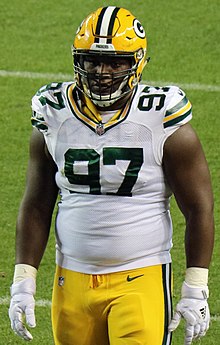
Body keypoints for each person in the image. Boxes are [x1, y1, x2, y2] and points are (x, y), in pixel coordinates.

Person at [8, 6, 214, 345]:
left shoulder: (161, 117)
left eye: (116, 62)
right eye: (92, 60)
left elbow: (199, 207)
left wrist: (195, 287)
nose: (102, 72)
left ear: (137, 62)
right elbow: (36, 203)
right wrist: (23, 279)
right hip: (70, 279)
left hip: (141, 277)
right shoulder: (54, 113)